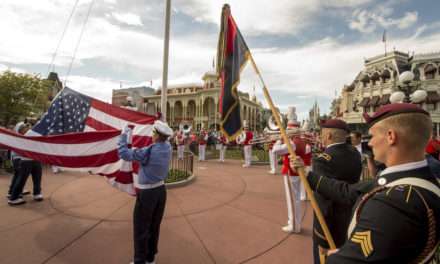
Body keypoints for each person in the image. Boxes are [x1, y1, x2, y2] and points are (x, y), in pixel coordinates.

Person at [291, 103, 440, 263]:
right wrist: (307, 173)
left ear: (391, 136)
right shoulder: (424, 182)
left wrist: (336, 256)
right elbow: (349, 191)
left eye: (373, 135)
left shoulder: (391, 203)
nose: (369, 143)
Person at [118, 120, 173, 264]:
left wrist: (124, 135)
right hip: (161, 192)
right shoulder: (168, 147)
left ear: (156, 134)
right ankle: (150, 258)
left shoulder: (149, 151)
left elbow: (123, 153)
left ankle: (139, 261)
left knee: (141, 228)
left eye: (153, 132)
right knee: (154, 226)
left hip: (148, 194)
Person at [310, 119, 362, 263]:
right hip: (351, 215)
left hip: (330, 223)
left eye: (322, 134)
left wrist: (322, 233)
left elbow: (323, 198)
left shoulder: (323, 160)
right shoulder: (355, 153)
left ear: (329, 136)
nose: (320, 137)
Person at [8, 122, 43, 205]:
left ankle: (37, 193)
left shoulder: (30, 136)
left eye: (26, 127)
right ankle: (14, 195)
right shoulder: (18, 138)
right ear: (19, 130)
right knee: (20, 177)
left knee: (37, 176)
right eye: (23, 128)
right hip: (21, 160)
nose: (26, 128)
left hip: (33, 159)